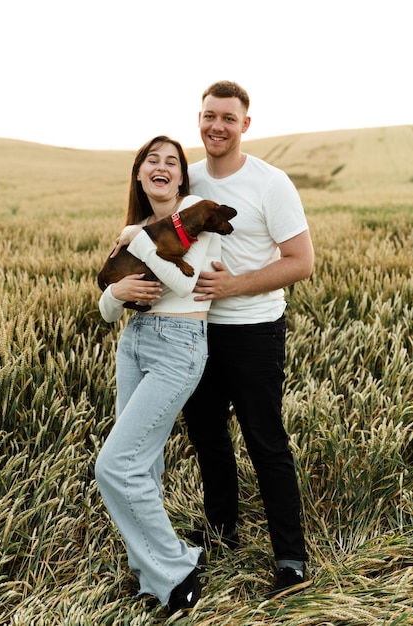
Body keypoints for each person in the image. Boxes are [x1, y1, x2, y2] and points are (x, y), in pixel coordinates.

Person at [182, 81, 315, 595]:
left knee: (266, 441)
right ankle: (222, 532)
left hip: (255, 332)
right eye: (209, 116)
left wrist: (232, 285)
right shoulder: (186, 179)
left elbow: (301, 262)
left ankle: (290, 558)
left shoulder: (270, 183)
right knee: (207, 437)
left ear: (245, 125)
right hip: (193, 333)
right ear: (199, 119)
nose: (217, 126)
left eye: (228, 118)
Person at [95, 135, 221, 614]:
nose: (163, 166)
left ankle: (177, 573)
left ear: (181, 177)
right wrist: (118, 290)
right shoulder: (140, 227)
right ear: (140, 173)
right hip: (135, 341)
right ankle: (153, 572)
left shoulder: (195, 214)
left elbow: (186, 282)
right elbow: (109, 311)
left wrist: (139, 243)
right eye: (153, 160)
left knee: (114, 466)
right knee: (143, 465)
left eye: (173, 161)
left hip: (178, 345)